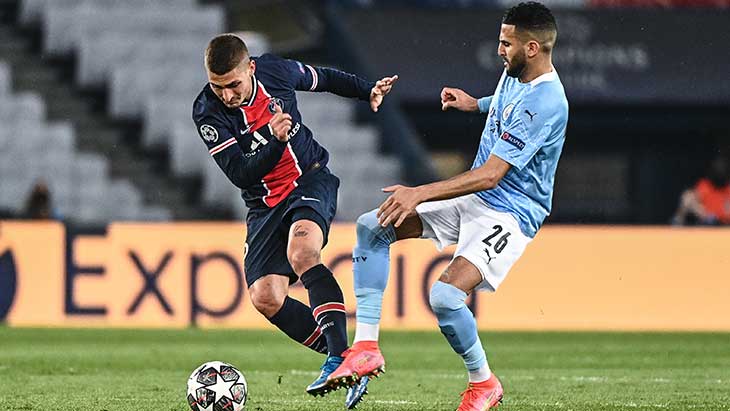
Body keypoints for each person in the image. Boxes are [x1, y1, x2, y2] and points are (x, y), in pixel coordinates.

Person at [327, 3, 568, 410]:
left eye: (505, 43)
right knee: (373, 227)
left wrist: (419, 192)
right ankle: (366, 346)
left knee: (444, 298)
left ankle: (484, 382)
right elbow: (509, 103)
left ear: (531, 47)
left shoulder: (547, 102)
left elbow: (492, 174)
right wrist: (477, 104)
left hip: (511, 212)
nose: (498, 50)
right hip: (477, 196)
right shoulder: (519, 74)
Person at [191, 34, 398, 408]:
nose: (227, 95)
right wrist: (272, 140)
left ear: (250, 68)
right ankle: (345, 354)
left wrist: (367, 90)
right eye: (217, 86)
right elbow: (240, 172)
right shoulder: (207, 110)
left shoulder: (275, 71)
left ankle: (340, 358)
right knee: (265, 296)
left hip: (310, 179)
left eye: (233, 84)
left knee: (303, 252)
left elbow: (322, 78)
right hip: (263, 203)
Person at [672, 155, 730, 225]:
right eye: (718, 171)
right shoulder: (705, 185)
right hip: (708, 220)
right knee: (687, 196)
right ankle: (677, 223)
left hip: (724, 225)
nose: (720, 173)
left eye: (722, 171)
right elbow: (691, 201)